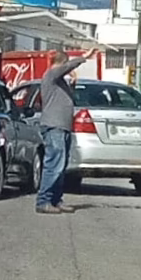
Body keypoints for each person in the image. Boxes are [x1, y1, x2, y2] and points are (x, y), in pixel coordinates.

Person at [36, 48, 98, 215]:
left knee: (61, 165)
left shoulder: (59, 81)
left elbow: (63, 98)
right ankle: (44, 200)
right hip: (54, 126)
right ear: (62, 63)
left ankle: (56, 199)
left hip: (63, 127)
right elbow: (65, 68)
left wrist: (72, 84)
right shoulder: (51, 75)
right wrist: (83, 58)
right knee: (53, 164)